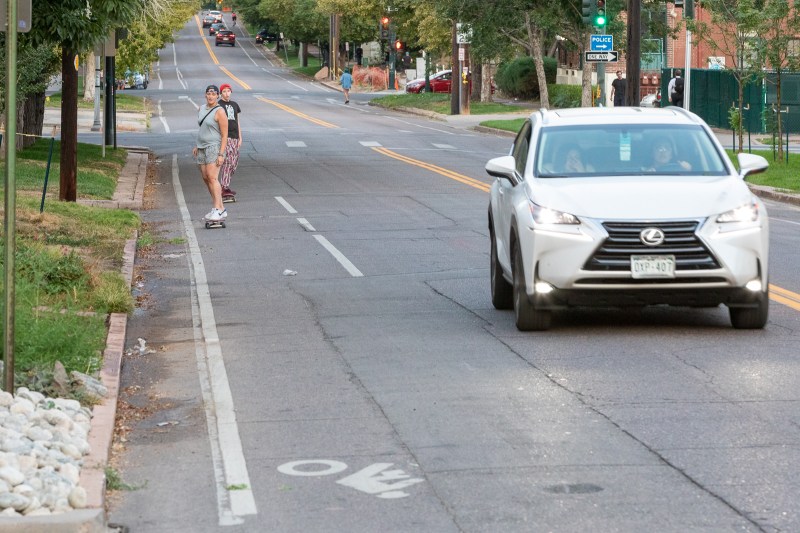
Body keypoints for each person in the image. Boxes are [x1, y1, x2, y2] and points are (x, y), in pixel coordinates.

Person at [193, 85, 229, 222]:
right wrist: (197, 145)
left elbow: (224, 135)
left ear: (218, 96)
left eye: (214, 94)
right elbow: (202, 128)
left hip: (214, 147)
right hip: (202, 147)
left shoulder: (220, 111)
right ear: (205, 95)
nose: (211, 96)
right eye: (208, 93)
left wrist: (221, 154)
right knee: (205, 177)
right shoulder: (201, 109)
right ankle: (221, 207)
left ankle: (217, 209)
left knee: (212, 177)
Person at [218, 83, 243, 200]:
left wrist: (240, 137)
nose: (227, 93)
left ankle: (225, 184)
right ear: (220, 93)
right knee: (227, 162)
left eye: (228, 91)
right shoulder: (218, 106)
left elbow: (237, 121)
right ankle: (224, 187)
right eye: (224, 91)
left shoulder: (234, 105)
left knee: (234, 163)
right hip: (225, 137)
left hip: (234, 137)